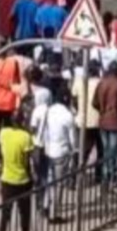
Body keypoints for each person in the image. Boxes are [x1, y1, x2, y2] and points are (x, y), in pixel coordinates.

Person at [0, 109, 35, 231]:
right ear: (23, 121)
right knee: (24, 214)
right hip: (22, 179)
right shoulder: (26, 137)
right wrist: (31, 177)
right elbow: (27, 161)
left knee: (5, 214)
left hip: (7, 179)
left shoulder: (3, 134)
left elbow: (1, 151)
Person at [39, 87, 77, 222]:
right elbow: (73, 139)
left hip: (49, 150)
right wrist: (74, 151)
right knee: (59, 184)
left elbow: (44, 130)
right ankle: (54, 214)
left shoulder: (49, 111)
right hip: (62, 152)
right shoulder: (68, 116)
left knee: (50, 181)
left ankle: (45, 205)